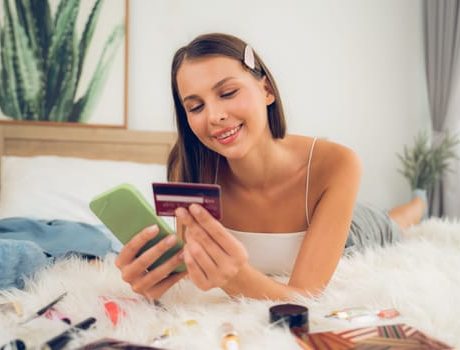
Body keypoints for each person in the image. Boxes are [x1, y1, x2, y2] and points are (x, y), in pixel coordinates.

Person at [115, 33, 425, 301]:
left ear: (266, 90)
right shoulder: (189, 166)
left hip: (356, 231)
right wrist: (156, 276)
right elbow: (194, 264)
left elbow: (306, 296)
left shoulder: (338, 163)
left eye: (227, 93)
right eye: (196, 106)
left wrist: (233, 279)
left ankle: (417, 204)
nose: (213, 116)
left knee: (394, 222)